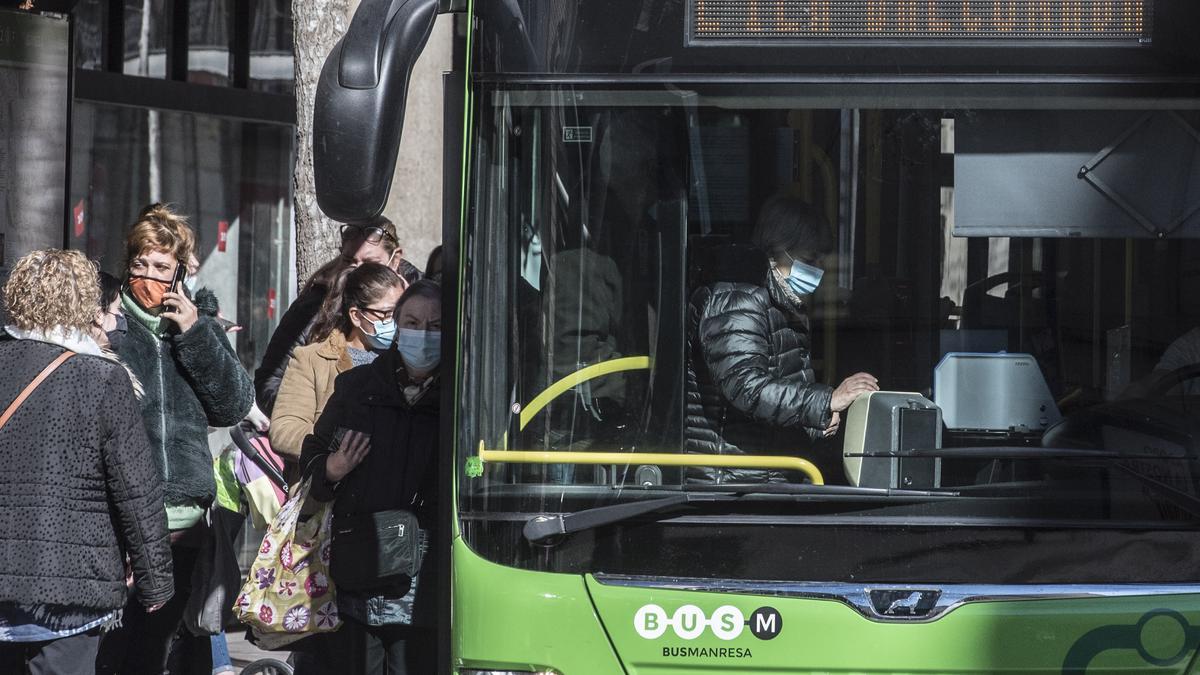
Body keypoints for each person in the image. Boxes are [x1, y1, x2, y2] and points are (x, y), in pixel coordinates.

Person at [95, 203, 254, 675]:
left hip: (184, 518)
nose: (148, 276)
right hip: (121, 516)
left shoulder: (198, 324)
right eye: (140, 263)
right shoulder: (107, 322)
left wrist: (194, 332)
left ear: (181, 271)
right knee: (115, 648)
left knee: (160, 646)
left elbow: (232, 404)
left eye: (161, 267)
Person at [0, 249, 174, 675]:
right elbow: (136, 489)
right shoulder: (102, 378)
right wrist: (156, 581)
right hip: (71, 582)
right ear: (84, 305)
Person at [297, 280, 442, 674]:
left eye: (435, 326)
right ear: (396, 327)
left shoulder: (460, 398)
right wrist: (332, 468)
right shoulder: (358, 387)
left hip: (426, 581)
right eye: (412, 322)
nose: (423, 335)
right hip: (359, 571)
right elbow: (311, 458)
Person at [685, 193, 879, 482]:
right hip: (731, 478)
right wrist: (826, 401)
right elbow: (746, 386)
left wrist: (818, 421)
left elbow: (783, 384)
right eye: (809, 258)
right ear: (777, 249)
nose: (818, 270)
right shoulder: (738, 298)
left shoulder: (781, 302)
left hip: (761, 471)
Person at [255, 216, 417, 416]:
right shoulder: (314, 307)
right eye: (349, 261)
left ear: (395, 260)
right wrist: (318, 425)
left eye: (370, 263)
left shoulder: (423, 304)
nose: (357, 272)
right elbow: (270, 382)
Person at [270, 263, 407, 461]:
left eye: (400, 312)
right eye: (387, 314)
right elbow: (284, 431)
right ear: (356, 316)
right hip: (328, 485)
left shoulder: (409, 360)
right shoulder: (312, 360)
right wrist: (338, 445)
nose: (395, 321)